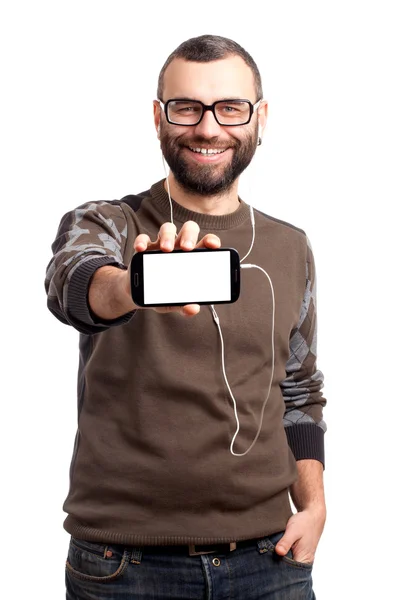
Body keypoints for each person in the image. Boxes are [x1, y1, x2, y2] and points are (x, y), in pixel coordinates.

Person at [45, 34, 327, 600]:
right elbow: (72, 288)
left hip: (270, 561)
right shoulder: (108, 222)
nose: (208, 128)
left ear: (259, 117)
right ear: (158, 116)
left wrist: (315, 506)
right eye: (186, 108)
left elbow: (298, 392)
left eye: (229, 108)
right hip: (122, 567)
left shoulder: (290, 247)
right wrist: (134, 286)